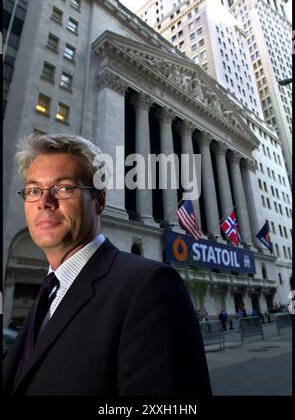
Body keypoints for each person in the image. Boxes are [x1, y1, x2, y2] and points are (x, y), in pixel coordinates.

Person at [3, 133, 212, 397]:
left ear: (99, 201)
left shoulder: (150, 287)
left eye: (65, 188)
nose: (44, 202)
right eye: (33, 190)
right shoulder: (50, 290)